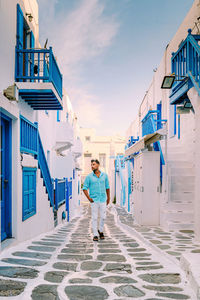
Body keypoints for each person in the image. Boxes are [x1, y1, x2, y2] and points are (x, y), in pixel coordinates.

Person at [83, 159, 110, 241]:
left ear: (98, 165)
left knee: (103, 217)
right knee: (94, 217)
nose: (92, 166)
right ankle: (95, 234)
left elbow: (107, 187)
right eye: (91, 165)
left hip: (103, 199)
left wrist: (108, 198)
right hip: (94, 200)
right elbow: (84, 188)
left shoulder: (104, 175)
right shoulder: (89, 177)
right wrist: (89, 198)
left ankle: (100, 230)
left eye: (93, 164)